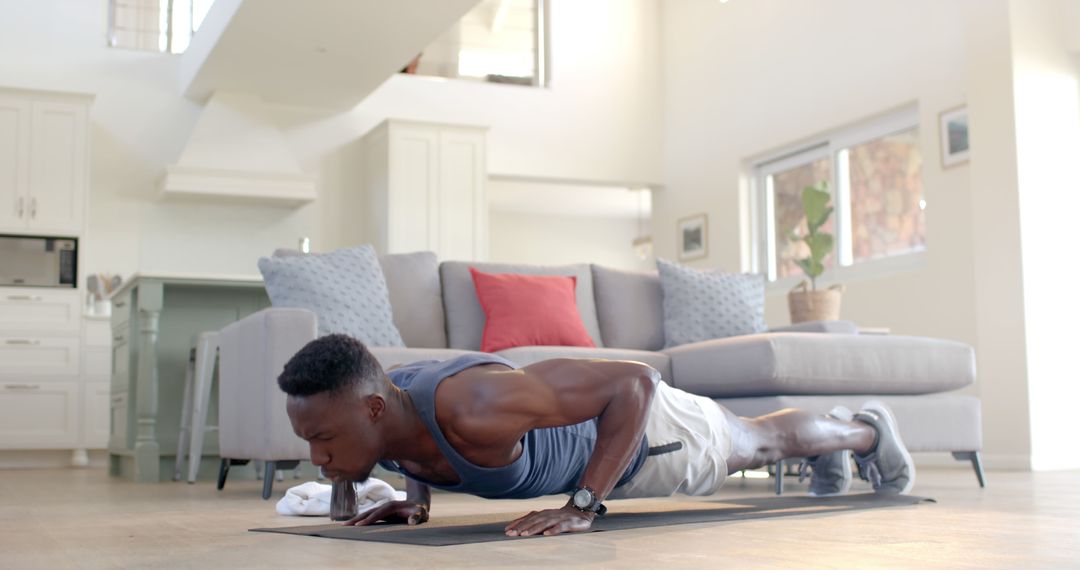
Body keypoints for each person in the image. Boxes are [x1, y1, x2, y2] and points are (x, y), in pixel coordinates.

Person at [280, 334, 915, 537]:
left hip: (641, 438)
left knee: (752, 444)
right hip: (611, 440)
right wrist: (414, 502)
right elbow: (411, 440)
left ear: (368, 409)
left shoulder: (476, 403)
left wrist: (583, 507)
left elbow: (634, 384)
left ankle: (864, 433)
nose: (317, 457)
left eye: (323, 440)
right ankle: (838, 452)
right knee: (753, 441)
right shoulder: (383, 411)